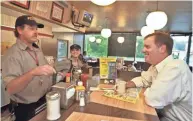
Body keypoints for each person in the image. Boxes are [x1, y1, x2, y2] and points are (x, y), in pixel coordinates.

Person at [127, 32, 192, 121]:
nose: (142, 50)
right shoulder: (155, 67)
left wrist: (151, 88)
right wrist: (130, 83)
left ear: (162, 49)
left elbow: (153, 99)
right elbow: (144, 80)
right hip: (163, 116)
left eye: (147, 46)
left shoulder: (175, 67)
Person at [2, 15, 56, 121]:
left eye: (36, 28)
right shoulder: (12, 54)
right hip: (25, 109)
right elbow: (10, 88)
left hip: (43, 101)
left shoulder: (37, 49)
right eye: (31, 28)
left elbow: (42, 71)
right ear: (19, 30)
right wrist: (32, 73)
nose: (36, 32)